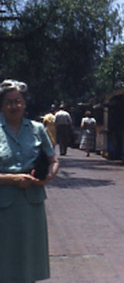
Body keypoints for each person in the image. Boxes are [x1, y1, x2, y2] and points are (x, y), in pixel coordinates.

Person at [0, 79, 59, 282]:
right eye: (8, 101)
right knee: (4, 260)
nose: (13, 106)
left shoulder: (37, 129)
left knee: (28, 259)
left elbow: (52, 160)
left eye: (18, 101)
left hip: (31, 204)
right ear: (1, 104)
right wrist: (12, 179)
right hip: (3, 204)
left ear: (25, 103)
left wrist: (47, 177)